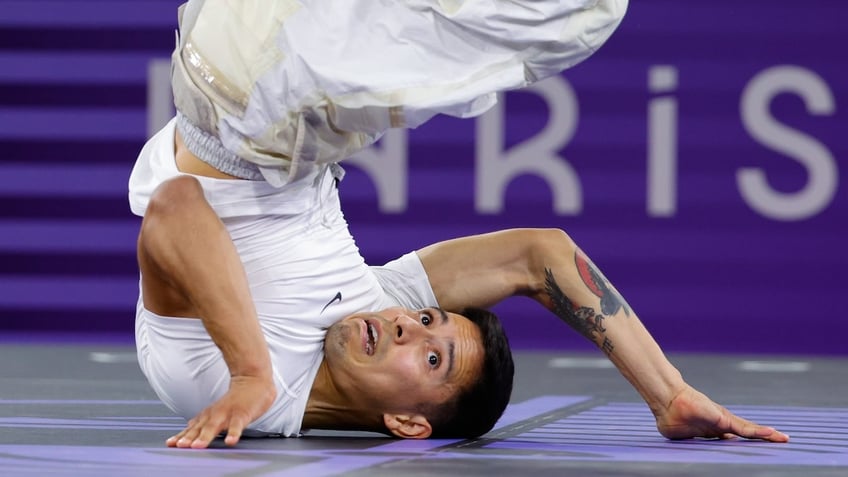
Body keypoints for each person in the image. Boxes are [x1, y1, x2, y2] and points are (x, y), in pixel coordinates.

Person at [129, 0, 790, 448]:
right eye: (429, 322)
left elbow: (175, 209)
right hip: (308, 89)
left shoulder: (222, 390)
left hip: (245, 91)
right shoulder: (376, 313)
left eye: (432, 352)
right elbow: (541, 254)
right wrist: (667, 393)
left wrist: (250, 374)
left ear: (407, 421)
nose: (406, 322)